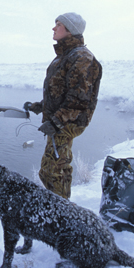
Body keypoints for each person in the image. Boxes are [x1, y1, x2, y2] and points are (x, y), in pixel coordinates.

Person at [24, 12, 102, 199]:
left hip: (68, 123)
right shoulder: (64, 57)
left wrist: (56, 121)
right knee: (51, 169)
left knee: (54, 170)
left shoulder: (82, 58)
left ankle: (60, 212)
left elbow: (79, 100)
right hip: (61, 120)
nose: (53, 27)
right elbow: (60, 94)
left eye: (58, 24)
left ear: (70, 30)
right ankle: (58, 206)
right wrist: (40, 106)